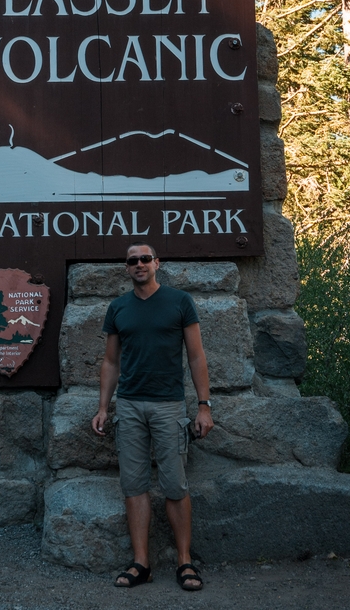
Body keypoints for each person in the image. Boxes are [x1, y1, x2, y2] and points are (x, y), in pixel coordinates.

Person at [91, 242, 214, 591]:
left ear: (157, 263)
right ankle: (141, 563)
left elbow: (196, 357)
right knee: (134, 486)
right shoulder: (118, 308)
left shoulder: (179, 302)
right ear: (127, 268)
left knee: (175, 485)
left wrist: (204, 406)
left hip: (169, 406)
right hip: (129, 406)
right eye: (133, 261)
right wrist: (103, 407)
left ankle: (185, 562)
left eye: (146, 259)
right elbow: (111, 362)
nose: (139, 264)